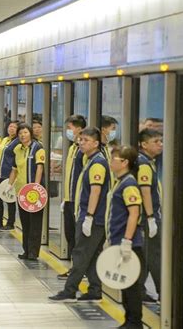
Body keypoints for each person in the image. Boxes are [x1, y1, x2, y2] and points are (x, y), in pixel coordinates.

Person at [49, 127, 110, 302]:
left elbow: (95, 192)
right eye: (80, 140)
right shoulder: (89, 160)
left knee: (80, 253)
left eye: (86, 140)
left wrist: (89, 217)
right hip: (90, 215)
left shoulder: (97, 163)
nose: (81, 143)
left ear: (96, 143)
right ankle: (95, 290)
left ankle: (69, 290)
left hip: (93, 217)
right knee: (92, 254)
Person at [107, 145, 144, 329]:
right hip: (119, 240)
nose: (111, 162)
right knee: (125, 283)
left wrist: (127, 240)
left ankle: (135, 322)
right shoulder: (120, 181)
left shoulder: (129, 184)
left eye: (115, 159)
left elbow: (134, 213)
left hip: (129, 243)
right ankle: (128, 320)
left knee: (132, 285)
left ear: (125, 163)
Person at [8, 123, 46, 260]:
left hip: (34, 193)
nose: (22, 135)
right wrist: (9, 185)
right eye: (20, 133)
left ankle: (33, 252)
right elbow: (14, 169)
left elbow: (40, 168)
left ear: (30, 133)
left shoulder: (38, 148)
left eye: (25, 132)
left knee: (35, 222)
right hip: (21, 193)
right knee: (25, 222)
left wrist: (35, 187)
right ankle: (26, 250)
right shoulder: (17, 149)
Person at [58, 115, 86, 280]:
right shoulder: (72, 149)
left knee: (78, 238)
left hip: (78, 202)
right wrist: (65, 198)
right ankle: (75, 268)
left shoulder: (84, 152)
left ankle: (79, 270)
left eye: (71, 128)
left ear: (80, 129)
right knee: (70, 236)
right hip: (69, 200)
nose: (68, 131)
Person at [137, 128, 162, 303]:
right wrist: (151, 217)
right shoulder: (144, 164)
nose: (160, 145)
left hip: (148, 217)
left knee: (146, 255)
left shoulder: (148, 162)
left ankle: (140, 289)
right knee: (154, 256)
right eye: (156, 142)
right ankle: (163, 292)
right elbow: (145, 192)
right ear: (144, 144)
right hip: (147, 218)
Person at [0, 120, 20, 231]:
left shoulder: (17, 142)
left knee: (9, 199)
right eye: (10, 126)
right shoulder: (5, 139)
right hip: (0, 173)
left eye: (14, 127)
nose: (11, 129)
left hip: (9, 175)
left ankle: (10, 223)